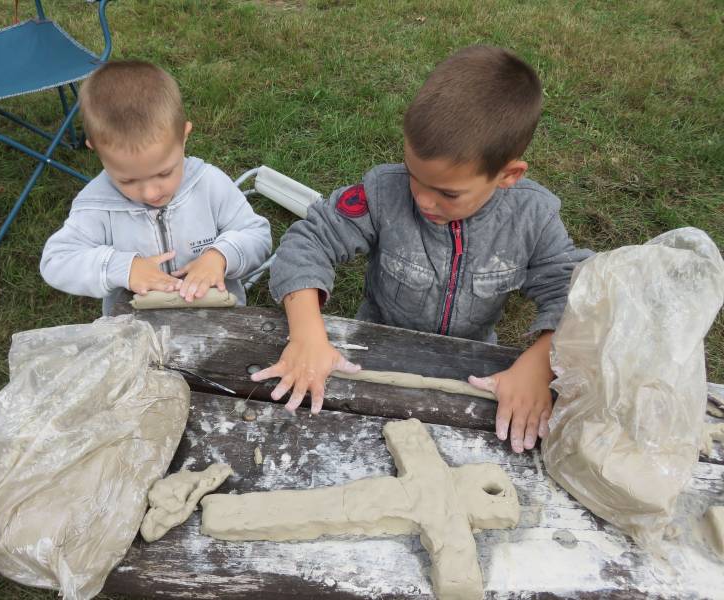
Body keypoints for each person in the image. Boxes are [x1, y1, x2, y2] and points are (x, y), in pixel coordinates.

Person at [252, 45, 592, 454]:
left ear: (508, 175)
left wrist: (539, 361)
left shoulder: (532, 218)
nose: (423, 200)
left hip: (473, 368)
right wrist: (307, 333)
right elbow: (310, 240)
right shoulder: (384, 192)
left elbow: (576, 292)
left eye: (448, 192)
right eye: (415, 176)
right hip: (370, 353)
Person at [40, 60, 271, 315]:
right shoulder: (96, 204)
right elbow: (56, 261)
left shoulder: (209, 184)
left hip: (218, 320)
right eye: (127, 180)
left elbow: (257, 235)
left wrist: (220, 256)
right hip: (135, 328)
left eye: (164, 172)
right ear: (96, 151)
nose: (151, 193)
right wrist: (123, 268)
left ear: (183, 136)